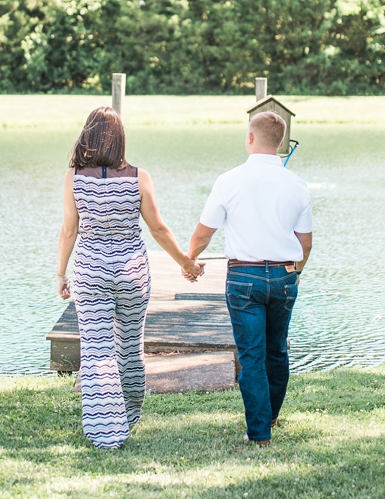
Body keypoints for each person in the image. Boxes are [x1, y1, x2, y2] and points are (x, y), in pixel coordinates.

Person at [57, 106, 203, 449]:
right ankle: (129, 414)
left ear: (87, 136)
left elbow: (68, 231)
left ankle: (104, 431)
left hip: (91, 271)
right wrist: (187, 263)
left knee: (96, 350)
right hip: (131, 272)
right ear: (120, 139)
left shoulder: (74, 178)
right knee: (129, 346)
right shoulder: (139, 177)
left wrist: (60, 273)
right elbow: (158, 229)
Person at [186, 111, 312, 446]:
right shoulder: (297, 185)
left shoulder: (229, 181)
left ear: (250, 138)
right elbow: (306, 243)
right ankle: (270, 416)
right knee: (277, 351)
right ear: (282, 143)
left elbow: (203, 233)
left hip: (244, 278)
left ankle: (259, 433)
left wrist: (190, 261)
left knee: (252, 356)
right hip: (285, 276)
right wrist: (293, 275)